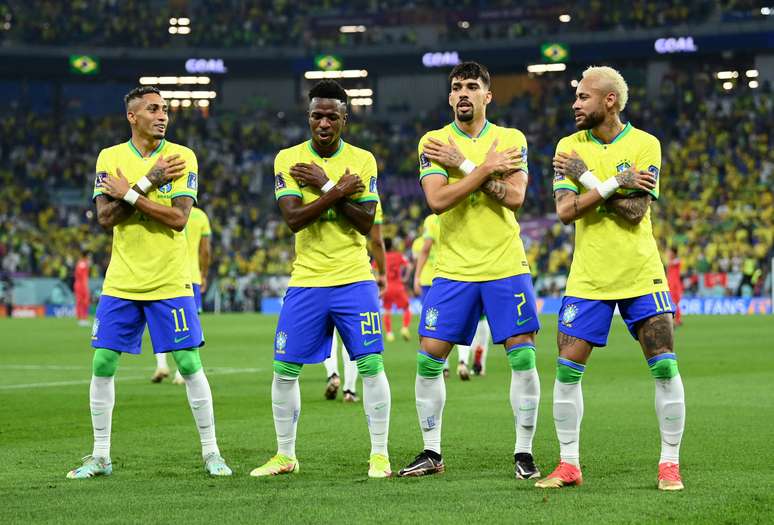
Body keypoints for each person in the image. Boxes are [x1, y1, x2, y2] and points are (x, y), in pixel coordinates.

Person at [66, 86, 231, 479]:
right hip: (122, 280)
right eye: (153, 109)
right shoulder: (110, 157)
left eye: (165, 109)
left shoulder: (182, 157)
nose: (162, 115)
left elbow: (178, 220)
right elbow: (106, 218)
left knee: (189, 363)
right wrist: (149, 182)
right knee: (102, 362)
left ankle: (212, 452)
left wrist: (135, 190)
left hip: (171, 281)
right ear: (132, 116)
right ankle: (101, 456)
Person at [536, 66, 685, 491]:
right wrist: (617, 182)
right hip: (588, 279)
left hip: (641, 274)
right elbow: (566, 212)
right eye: (575, 96)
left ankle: (669, 465)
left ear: (609, 101)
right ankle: (569, 465)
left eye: (583, 97)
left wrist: (587, 179)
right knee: (566, 372)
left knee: (664, 368)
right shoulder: (568, 146)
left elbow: (636, 212)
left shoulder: (645, 144)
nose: (575, 104)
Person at [398, 62, 541, 480]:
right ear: (449, 97)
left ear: (487, 96)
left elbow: (514, 197)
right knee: (429, 359)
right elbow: (438, 201)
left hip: (504, 265)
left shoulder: (510, 139)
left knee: (523, 356)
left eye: (472, 87)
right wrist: (481, 169)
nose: (463, 93)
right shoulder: (434, 141)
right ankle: (431, 451)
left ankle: (524, 453)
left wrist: (462, 165)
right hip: (454, 268)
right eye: (457, 87)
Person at [252, 80, 392, 478]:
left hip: (354, 278)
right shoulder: (288, 159)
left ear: (345, 118)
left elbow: (365, 222)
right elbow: (294, 219)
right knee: (284, 370)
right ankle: (285, 455)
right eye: (317, 115)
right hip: (307, 280)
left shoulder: (364, 160)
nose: (324, 122)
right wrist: (336, 189)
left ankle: (379, 455)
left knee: (370, 365)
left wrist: (323, 186)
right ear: (308, 117)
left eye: (333, 115)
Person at [323, 202, 386, 403]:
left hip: (319, 274)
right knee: (352, 336)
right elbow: (376, 241)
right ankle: (349, 389)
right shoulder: (366, 195)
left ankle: (333, 374)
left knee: (328, 334)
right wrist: (383, 272)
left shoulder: (311, 189)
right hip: (353, 275)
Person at [152, 205, 212, 384]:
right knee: (189, 324)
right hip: (189, 276)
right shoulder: (200, 216)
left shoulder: (161, 209)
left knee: (159, 321)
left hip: (162, 273)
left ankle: (161, 365)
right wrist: (204, 273)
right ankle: (181, 372)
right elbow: (205, 251)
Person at [381, 237, 412, 342]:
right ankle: (404, 328)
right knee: (407, 308)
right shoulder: (398, 255)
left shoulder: (381, 257)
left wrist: (379, 283)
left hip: (386, 288)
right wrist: (405, 278)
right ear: (392, 245)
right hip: (398, 287)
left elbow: (373, 269)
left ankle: (389, 334)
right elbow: (409, 266)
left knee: (387, 311)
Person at [666, 248, 683, 327]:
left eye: (670, 252)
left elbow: (672, 262)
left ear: (673, 253)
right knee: (673, 302)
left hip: (675, 285)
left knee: (674, 302)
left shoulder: (676, 261)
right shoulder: (673, 262)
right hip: (670, 284)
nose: (668, 254)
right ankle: (677, 319)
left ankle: (677, 320)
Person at [73, 250, 90, 326]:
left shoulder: (81, 263)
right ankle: (82, 319)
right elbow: (83, 276)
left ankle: (81, 319)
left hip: (79, 284)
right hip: (81, 285)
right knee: (83, 301)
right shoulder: (83, 263)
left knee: (80, 301)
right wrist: (85, 286)